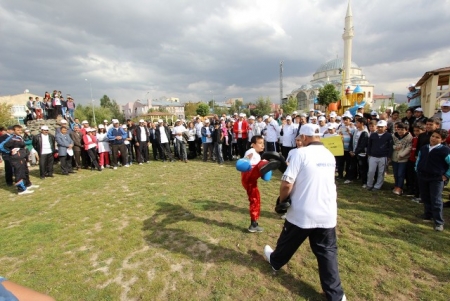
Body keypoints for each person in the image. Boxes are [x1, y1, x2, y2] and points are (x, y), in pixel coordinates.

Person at [263, 123, 346, 301]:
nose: (300, 140)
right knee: (327, 253)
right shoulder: (330, 156)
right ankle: (336, 296)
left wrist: (282, 201)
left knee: (288, 241)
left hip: (303, 211)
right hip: (327, 211)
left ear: (306, 137)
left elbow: (286, 183)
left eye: (301, 137)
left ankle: (275, 261)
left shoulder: (300, 154)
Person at [415, 129, 450, 231]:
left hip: (436, 178)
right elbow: (419, 159)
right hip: (423, 176)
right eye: (433, 136)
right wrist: (417, 169)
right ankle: (428, 215)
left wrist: (446, 175)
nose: (433, 138)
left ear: (442, 140)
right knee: (425, 197)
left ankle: (439, 222)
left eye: (437, 137)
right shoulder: (424, 148)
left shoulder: (444, 150)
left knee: (436, 199)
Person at [240, 135, 268, 232]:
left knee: (255, 199)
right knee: (255, 200)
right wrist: (246, 160)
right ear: (253, 144)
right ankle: (253, 224)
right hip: (248, 177)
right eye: (260, 143)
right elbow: (247, 158)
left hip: (251, 179)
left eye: (263, 143)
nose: (262, 145)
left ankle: (254, 223)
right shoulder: (251, 151)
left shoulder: (257, 154)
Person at [366, 120, 393, 191]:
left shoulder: (388, 135)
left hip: (383, 156)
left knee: (381, 172)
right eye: (378, 127)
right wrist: (369, 154)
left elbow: (390, 147)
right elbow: (369, 145)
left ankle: (378, 186)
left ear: (385, 127)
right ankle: (369, 184)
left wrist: (389, 156)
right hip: (373, 156)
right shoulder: (373, 135)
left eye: (381, 127)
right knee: (371, 171)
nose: (380, 128)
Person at [391, 122, 412, 195]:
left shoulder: (409, 137)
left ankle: (400, 187)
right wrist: (394, 147)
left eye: (402, 129)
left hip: (403, 158)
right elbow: (391, 144)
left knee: (401, 173)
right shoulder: (394, 136)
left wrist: (402, 154)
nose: (400, 131)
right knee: (396, 173)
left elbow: (409, 147)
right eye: (398, 129)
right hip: (394, 157)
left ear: (406, 130)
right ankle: (396, 185)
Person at [349, 117, 369, 188]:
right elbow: (351, 141)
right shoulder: (355, 131)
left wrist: (355, 152)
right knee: (352, 166)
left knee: (362, 168)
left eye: (357, 122)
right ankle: (351, 178)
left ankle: (364, 182)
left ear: (362, 123)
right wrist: (351, 150)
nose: (356, 124)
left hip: (361, 154)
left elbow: (362, 145)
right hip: (353, 152)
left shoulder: (365, 133)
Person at [407, 124, 425, 202]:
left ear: (423, 131)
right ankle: (412, 191)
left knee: (417, 178)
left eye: (418, 131)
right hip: (411, 159)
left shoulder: (422, 139)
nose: (416, 132)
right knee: (410, 176)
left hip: (418, 161)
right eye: (414, 131)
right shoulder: (413, 138)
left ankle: (418, 194)